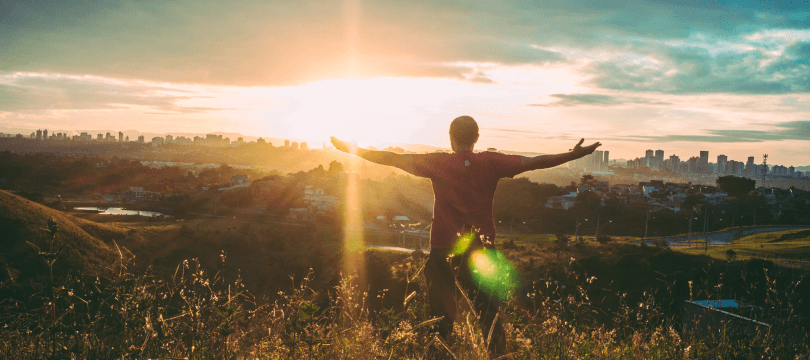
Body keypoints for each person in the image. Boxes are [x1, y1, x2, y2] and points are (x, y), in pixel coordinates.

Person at [331, 115, 601, 356]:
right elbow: (535, 163)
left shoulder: (437, 162)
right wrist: (573, 155)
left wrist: (352, 150)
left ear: (451, 139)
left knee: (440, 324)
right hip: (481, 252)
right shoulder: (491, 162)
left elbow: (391, 158)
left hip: (443, 251)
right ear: (477, 138)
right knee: (490, 320)